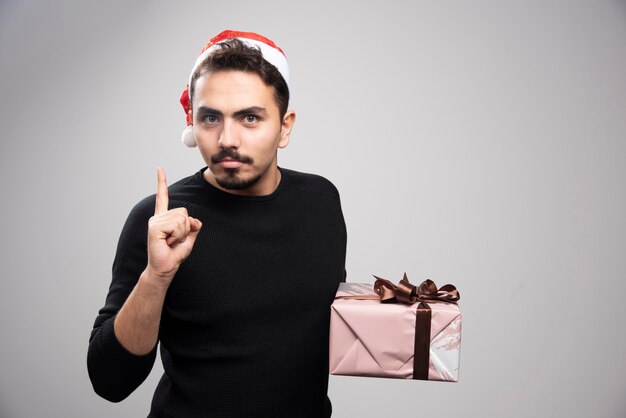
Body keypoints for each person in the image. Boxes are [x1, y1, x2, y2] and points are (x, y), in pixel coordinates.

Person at [87, 30, 347, 418]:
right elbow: (110, 381)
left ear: (285, 126)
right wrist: (155, 277)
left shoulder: (322, 201)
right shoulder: (160, 221)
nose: (227, 139)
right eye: (210, 118)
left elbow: (320, 326)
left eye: (250, 118)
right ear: (194, 122)